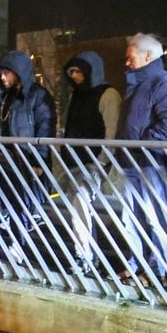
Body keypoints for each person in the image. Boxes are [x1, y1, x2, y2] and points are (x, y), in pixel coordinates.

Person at [115, 33, 167, 283]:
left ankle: (157, 270)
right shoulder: (137, 83)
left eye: (130, 57)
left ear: (147, 56)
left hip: (149, 161)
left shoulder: (162, 81)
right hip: (132, 160)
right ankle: (136, 264)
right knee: (131, 217)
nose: (126, 62)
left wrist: (145, 142)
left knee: (154, 217)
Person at [0, 51, 56, 255]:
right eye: (1, 73)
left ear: (20, 72)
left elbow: (45, 129)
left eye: (8, 73)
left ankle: (17, 246)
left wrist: (40, 160)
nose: (3, 77)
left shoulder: (38, 96)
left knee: (18, 204)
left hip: (22, 159)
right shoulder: (0, 95)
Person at [60, 51, 120, 272]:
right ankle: (87, 254)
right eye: (71, 72)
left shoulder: (108, 94)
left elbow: (111, 130)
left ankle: (83, 255)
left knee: (81, 205)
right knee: (78, 208)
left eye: (78, 71)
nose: (74, 76)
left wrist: (102, 161)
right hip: (74, 161)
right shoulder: (77, 95)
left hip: (92, 162)